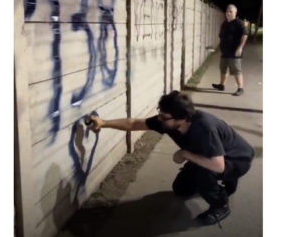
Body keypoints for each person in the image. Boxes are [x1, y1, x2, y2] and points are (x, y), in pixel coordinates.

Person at [87, 91, 254, 227]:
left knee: (204, 173)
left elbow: (218, 166)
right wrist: (103, 123)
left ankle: (221, 204)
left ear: (181, 119)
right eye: (160, 115)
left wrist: (185, 154)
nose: (159, 119)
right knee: (181, 190)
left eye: (163, 117)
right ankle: (217, 182)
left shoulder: (204, 128)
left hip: (236, 159)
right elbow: (133, 123)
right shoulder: (168, 121)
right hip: (212, 155)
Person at [212, 4, 248, 96]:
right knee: (223, 69)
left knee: (236, 70)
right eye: (227, 11)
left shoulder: (238, 23)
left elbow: (245, 34)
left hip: (235, 53)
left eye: (231, 11)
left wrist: (240, 47)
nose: (228, 13)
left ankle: (240, 88)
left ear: (235, 13)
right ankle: (221, 85)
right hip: (225, 52)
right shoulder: (224, 24)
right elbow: (222, 37)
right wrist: (220, 46)